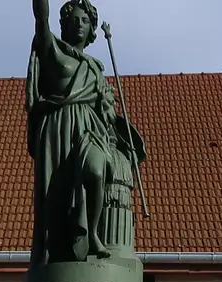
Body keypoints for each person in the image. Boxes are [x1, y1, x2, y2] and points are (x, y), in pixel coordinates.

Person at [28, 0, 139, 262]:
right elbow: (41, 18)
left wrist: (121, 136)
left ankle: (92, 234)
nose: (79, 24)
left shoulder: (95, 68)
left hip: (90, 131)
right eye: (74, 20)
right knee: (56, 198)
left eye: (85, 21)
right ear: (64, 25)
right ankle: (59, 247)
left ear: (91, 31)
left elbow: (107, 113)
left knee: (95, 171)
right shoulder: (52, 50)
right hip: (59, 130)